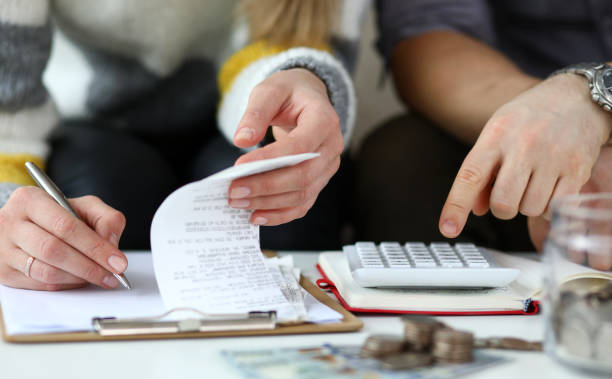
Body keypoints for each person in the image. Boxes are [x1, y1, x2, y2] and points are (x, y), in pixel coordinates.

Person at [0, 0, 370, 291]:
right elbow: (8, 96)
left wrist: (301, 83)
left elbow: (294, 40)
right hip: (93, 125)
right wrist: (6, 207)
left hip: (245, 113)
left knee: (279, 205)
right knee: (104, 195)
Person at [355, 0, 612, 252]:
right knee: (405, 157)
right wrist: (557, 123)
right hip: (505, 101)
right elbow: (432, 39)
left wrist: (594, 116)